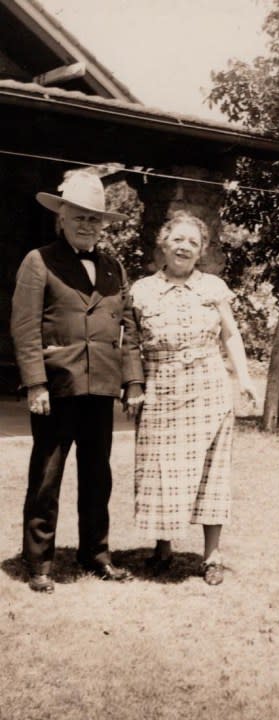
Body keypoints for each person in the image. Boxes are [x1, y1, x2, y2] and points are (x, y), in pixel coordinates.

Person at [10, 171, 145, 593]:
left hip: (101, 387)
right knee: (47, 476)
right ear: (61, 218)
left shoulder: (113, 266)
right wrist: (35, 384)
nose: (87, 225)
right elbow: (25, 327)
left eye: (94, 219)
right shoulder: (39, 261)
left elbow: (129, 327)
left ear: (102, 224)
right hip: (57, 387)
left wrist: (133, 381)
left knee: (97, 475)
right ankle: (39, 562)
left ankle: (96, 553)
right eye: (79, 217)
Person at [131, 210, 257, 585]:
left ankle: (211, 556)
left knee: (211, 473)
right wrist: (132, 385)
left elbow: (230, 335)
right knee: (161, 469)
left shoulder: (214, 288)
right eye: (177, 239)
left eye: (193, 242)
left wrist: (244, 378)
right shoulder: (140, 290)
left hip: (208, 388)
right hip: (160, 388)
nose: (184, 247)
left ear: (201, 250)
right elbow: (128, 343)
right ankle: (163, 547)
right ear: (163, 244)